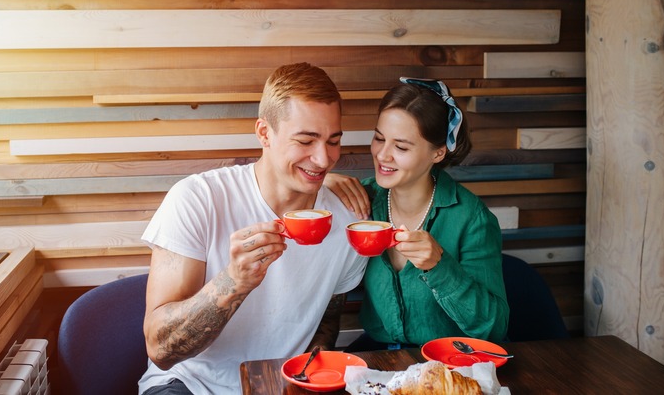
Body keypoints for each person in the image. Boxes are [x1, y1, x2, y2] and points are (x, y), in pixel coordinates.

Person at [139, 63, 368, 395]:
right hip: (187, 385)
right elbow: (161, 349)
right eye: (306, 140)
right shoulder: (196, 199)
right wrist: (234, 281)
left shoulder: (348, 216)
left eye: (333, 141)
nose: (323, 159)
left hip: (282, 386)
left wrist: (307, 377)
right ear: (264, 133)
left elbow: (327, 320)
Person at [325, 77, 509, 351]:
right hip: (378, 357)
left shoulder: (472, 219)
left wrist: (440, 266)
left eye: (401, 147)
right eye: (379, 138)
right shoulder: (361, 200)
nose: (383, 155)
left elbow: (494, 328)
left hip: (450, 362)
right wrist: (321, 185)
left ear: (437, 152)